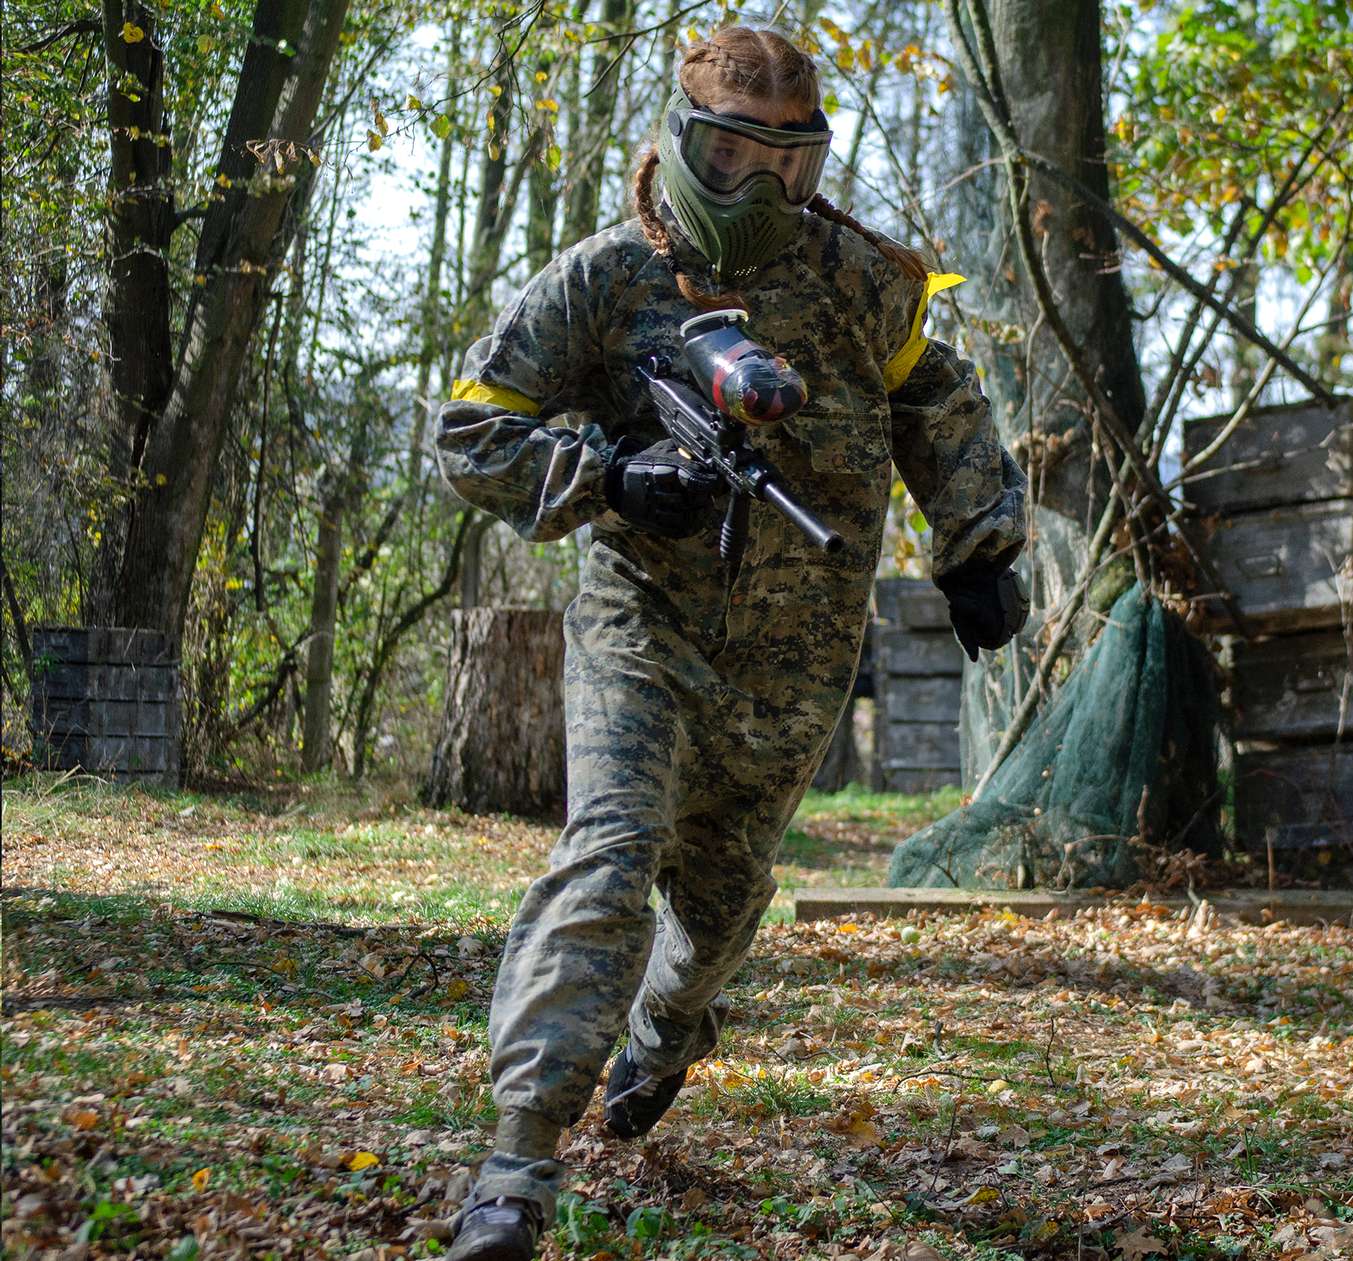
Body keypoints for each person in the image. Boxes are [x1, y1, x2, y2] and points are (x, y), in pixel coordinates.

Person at [433, 25, 1029, 1261]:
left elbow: (941, 402)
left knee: (714, 910)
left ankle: (663, 1035)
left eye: (789, 165)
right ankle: (515, 1161)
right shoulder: (602, 278)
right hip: (638, 631)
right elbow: (470, 427)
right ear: (676, 143)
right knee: (606, 859)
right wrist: (605, 476)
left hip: (799, 657)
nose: (760, 188)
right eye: (728, 152)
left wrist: (979, 546)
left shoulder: (865, 284)